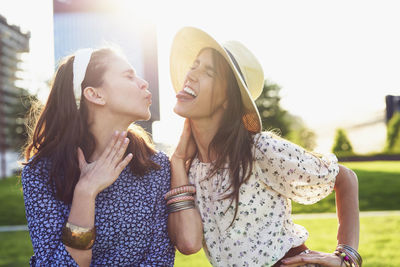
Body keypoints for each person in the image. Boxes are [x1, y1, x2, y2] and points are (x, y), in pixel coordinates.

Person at [166, 27, 362, 267]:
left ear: (228, 99)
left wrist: (346, 256)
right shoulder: (188, 168)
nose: (190, 75)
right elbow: (188, 244)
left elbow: (345, 178)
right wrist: (177, 160)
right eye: (194, 66)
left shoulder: (258, 150)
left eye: (208, 71)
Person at [21, 47, 175, 266]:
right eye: (128, 75)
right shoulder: (41, 174)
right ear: (95, 94)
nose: (143, 83)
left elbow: (160, 260)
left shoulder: (155, 166)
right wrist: (85, 192)